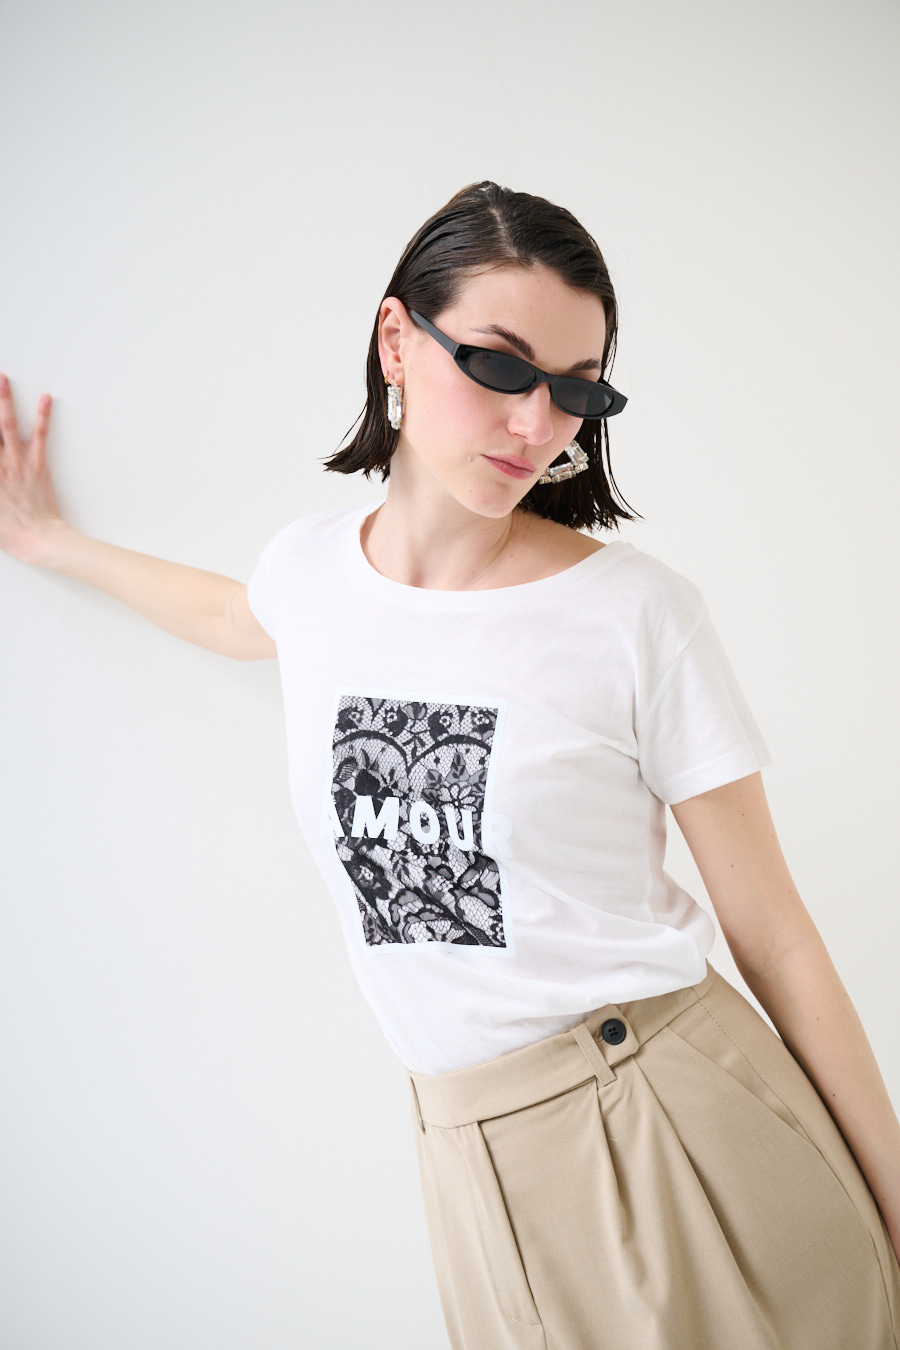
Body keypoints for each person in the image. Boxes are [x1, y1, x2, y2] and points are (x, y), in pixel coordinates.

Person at [2, 179, 899, 1350]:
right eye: (499, 364)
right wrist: (50, 542)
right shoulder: (311, 575)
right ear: (396, 339)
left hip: (671, 1112)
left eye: (576, 389)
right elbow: (229, 614)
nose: (538, 424)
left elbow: (774, 936)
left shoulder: (636, 614)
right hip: (465, 1154)